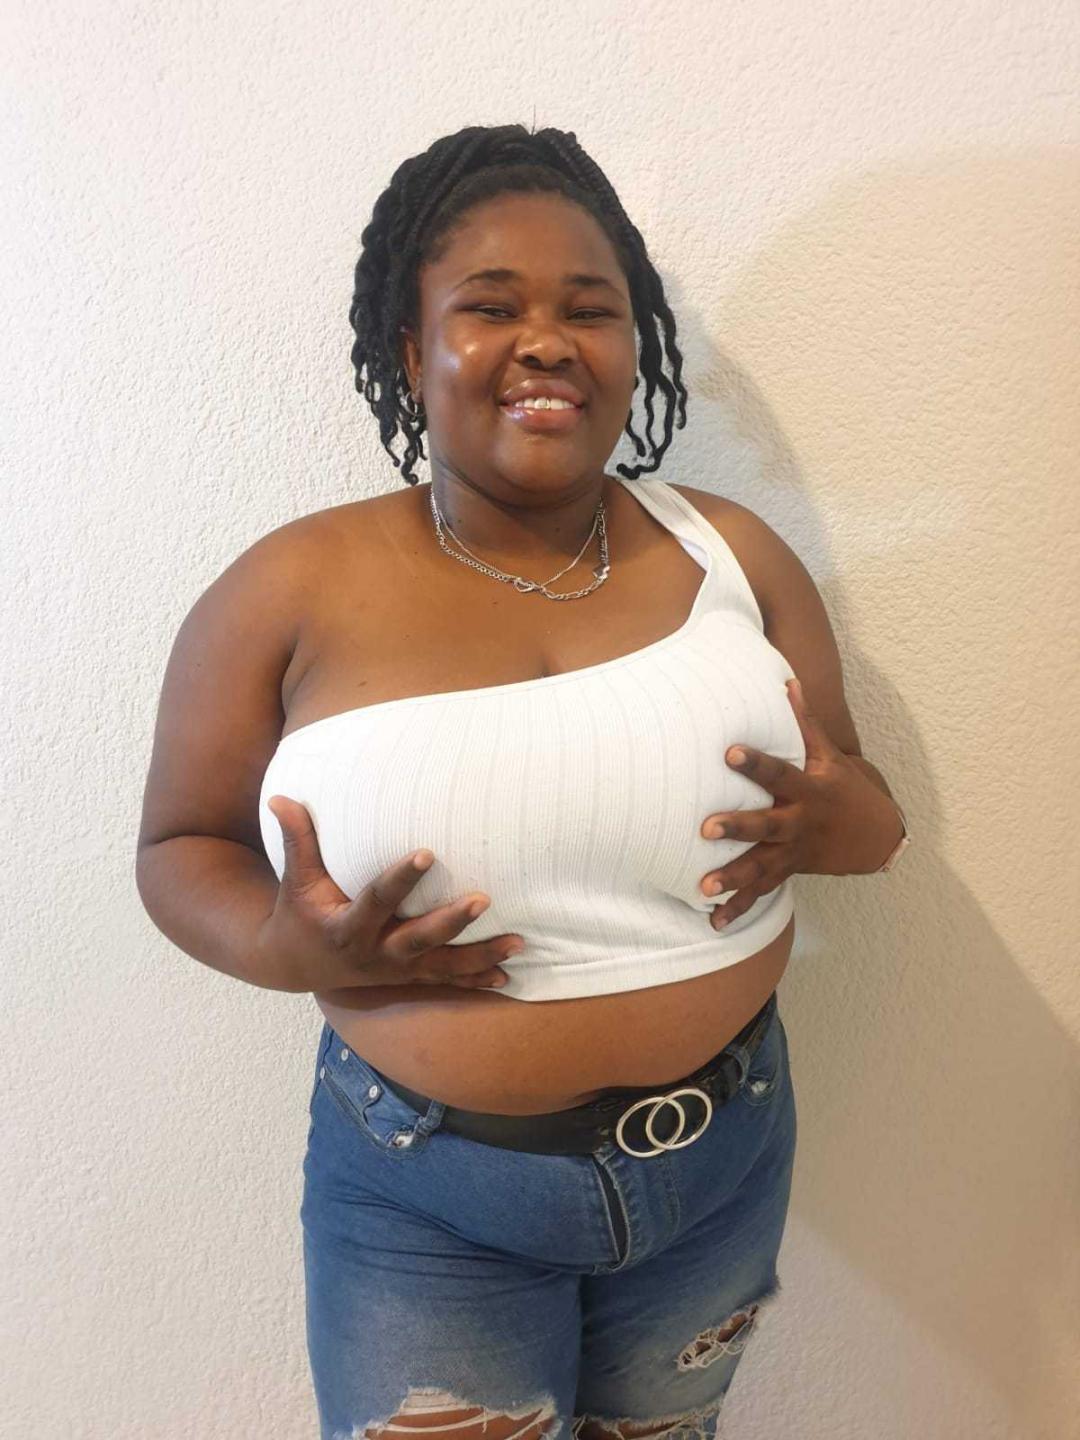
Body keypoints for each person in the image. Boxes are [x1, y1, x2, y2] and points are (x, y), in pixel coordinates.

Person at [135, 123, 909, 1440]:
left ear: (633, 348)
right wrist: (276, 943)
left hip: (720, 1165)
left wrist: (842, 824)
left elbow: (869, 818)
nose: (546, 341)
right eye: (490, 308)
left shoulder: (733, 554)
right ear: (411, 352)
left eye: (589, 310)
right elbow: (178, 846)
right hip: (428, 1202)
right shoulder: (286, 588)